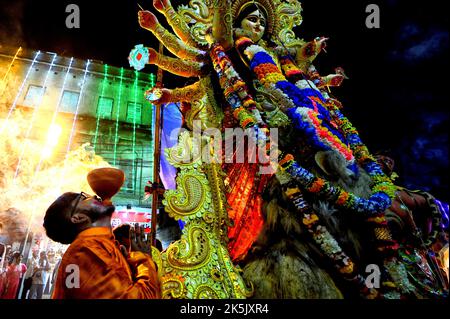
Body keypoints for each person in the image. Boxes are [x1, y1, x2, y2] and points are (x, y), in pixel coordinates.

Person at [43, 192, 160, 299]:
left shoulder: (97, 246)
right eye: (83, 197)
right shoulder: (85, 250)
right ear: (78, 218)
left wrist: (132, 265)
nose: (94, 196)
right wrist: (143, 260)